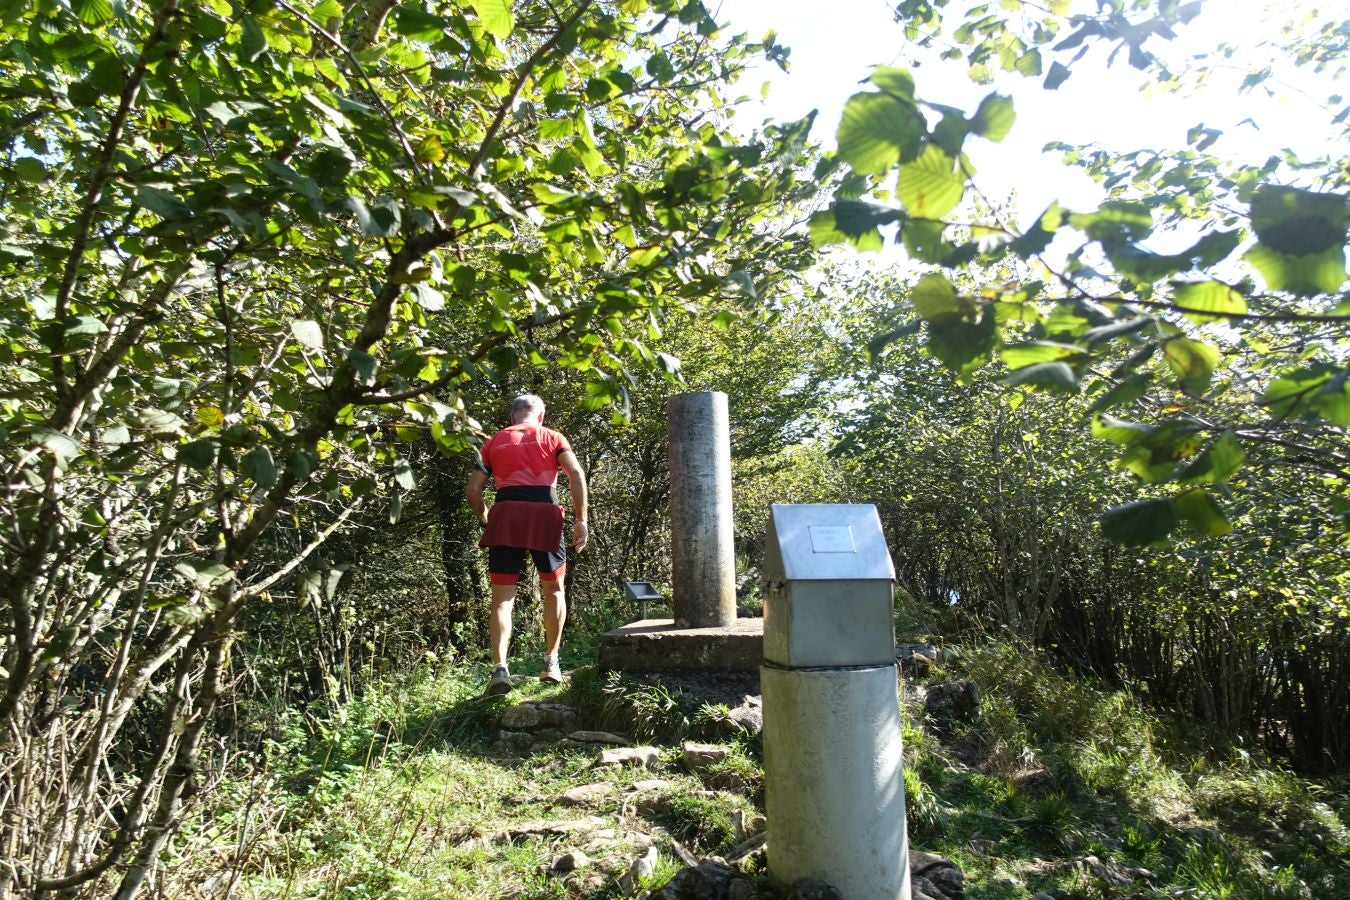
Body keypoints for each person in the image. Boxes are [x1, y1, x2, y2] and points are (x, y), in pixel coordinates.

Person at [467, 394, 588, 695]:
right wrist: (581, 519)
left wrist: (485, 518)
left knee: (501, 598)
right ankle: (551, 662)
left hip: (506, 515)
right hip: (544, 515)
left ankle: (499, 669)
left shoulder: (493, 442)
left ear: (513, 416)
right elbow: (575, 473)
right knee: (554, 588)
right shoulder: (553, 437)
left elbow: (473, 490)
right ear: (541, 415)